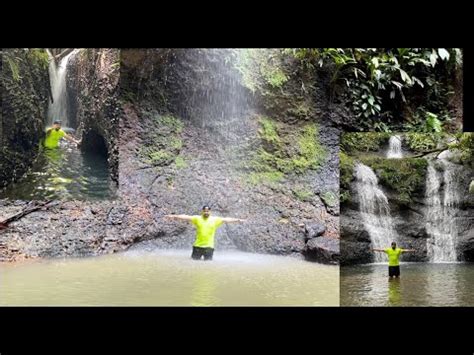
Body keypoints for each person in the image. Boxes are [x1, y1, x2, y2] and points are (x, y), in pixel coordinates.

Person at [164, 205, 246, 260]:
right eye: (205, 211)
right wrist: (173, 216)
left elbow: (226, 219)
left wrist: (238, 220)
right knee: (194, 264)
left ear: (210, 212)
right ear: (202, 211)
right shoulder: (197, 218)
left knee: (208, 266)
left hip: (209, 247)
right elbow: (185, 217)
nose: (206, 212)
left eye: (208, 211)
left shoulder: (215, 220)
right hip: (197, 246)